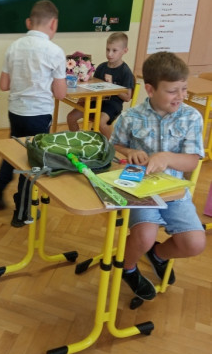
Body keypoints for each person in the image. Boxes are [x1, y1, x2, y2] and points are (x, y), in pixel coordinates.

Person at [110, 51, 206, 301]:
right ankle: (127, 268)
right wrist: (129, 151)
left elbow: (192, 160)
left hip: (175, 192)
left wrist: (166, 157)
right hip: (140, 190)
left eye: (184, 89)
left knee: (195, 243)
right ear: (150, 90)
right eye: (173, 91)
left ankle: (158, 254)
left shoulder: (191, 116)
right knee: (144, 236)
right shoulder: (131, 116)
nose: (181, 96)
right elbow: (114, 147)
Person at [0, 0, 67, 227]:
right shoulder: (55, 51)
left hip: (16, 111)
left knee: (14, 152)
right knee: (32, 163)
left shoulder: (14, 47)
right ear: (53, 24)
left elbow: (3, 85)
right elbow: (60, 94)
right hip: (39, 115)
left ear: (29, 22)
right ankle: (22, 212)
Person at [66, 32, 134, 139]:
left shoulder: (125, 71)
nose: (110, 54)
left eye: (114, 50)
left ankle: (112, 145)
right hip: (95, 100)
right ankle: (78, 142)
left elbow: (127, 97)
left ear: (124, 51)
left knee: (100, 122)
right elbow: (92, 86)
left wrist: (111, 85)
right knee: (71, 117)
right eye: (107, 49)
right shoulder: (102, 67)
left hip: (112, 105)